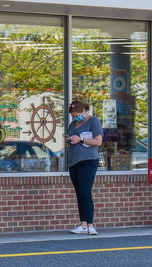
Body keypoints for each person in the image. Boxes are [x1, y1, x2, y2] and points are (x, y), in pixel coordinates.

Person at [64, 100, 103, 236]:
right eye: (74, 116)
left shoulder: (93, 121)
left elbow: (98, 141)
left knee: (86, 192)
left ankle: (91, 225)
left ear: (84, 111)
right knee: (79, 193)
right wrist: (69, 141)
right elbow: (69, 143)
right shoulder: (72, 124)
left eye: (77, 114)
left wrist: (80, 139)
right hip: (74, 162)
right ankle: (83, 224)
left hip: (88, 160)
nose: (76, 117)